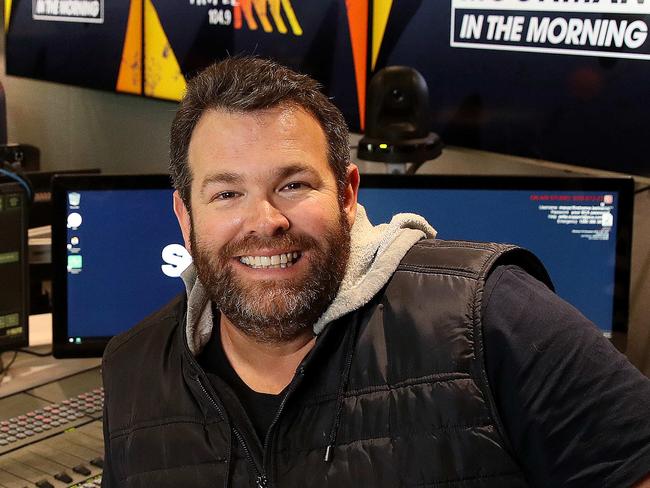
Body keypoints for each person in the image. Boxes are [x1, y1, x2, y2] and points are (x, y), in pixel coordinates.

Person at [100, 56, 650, 488]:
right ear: (185, 217)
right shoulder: (133, 368)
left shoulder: (494, 315)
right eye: (226, 193)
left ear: (347, 194)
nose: (264, 222)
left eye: (294, 185)